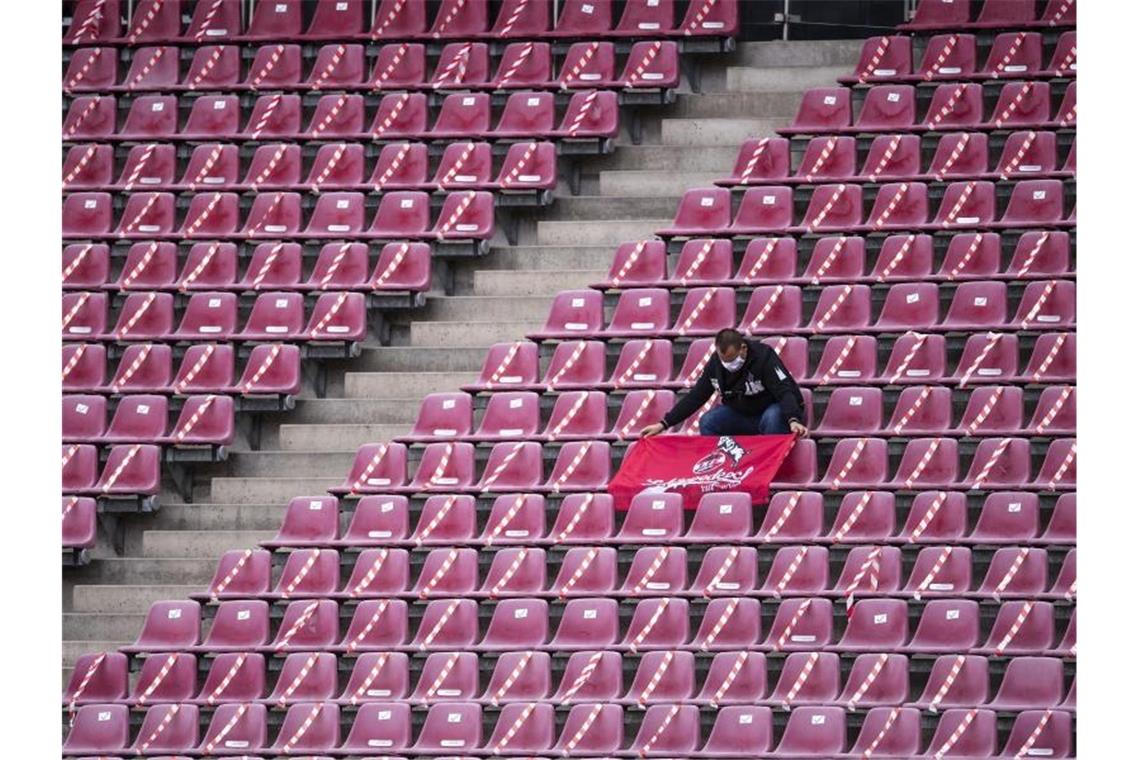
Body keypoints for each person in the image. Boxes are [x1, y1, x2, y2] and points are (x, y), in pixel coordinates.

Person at [640, 328, 808, 438]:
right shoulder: (716, 365)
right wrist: (664, 424)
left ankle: (771, 468)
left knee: (773, 417)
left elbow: (784, 390)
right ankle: (723, 467)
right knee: (708, 421)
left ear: (743, 348)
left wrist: (793, 419)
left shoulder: (764, 356)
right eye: (724, 360)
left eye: (732, 359)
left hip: (772, 411)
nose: (729, 364)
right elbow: (696, 397)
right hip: (743, 414)